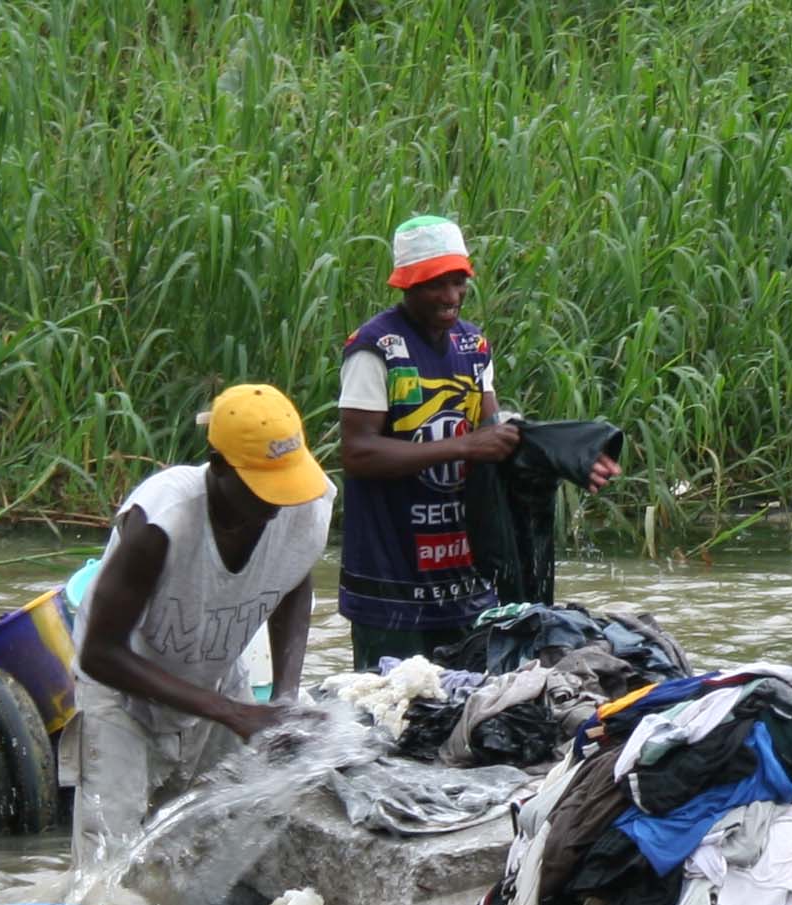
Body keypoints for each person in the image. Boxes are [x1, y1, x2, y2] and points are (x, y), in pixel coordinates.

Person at [334, 215, 618, 669]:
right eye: (435, 285)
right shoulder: (376, 348)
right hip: (390, 578)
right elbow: (359, 452)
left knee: (471, 711)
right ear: (406, 286)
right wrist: (463, 447)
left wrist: (572, 457)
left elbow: (494, 438)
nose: (450, 297)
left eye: (458, 281)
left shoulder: (473, 347)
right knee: (389, 712)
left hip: (464, 576)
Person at [70, 385, 334, 863]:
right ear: (219, 467)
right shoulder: (161, 524)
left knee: (212, 844)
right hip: (122, 692)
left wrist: (285, 694)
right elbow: (99, 653)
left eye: (285, 485)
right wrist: (231, 713)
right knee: (108, 862)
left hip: (213, 670)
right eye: (262, 489)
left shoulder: (303, 504)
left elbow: (293, 580)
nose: (277, 504)